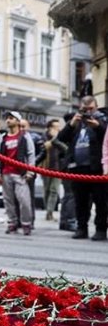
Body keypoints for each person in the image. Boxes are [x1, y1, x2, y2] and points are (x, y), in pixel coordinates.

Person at [57, 95, 108, 240]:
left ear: (96, 107)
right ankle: (81, 228)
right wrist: (71, 124)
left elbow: (107, 138)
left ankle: (101, 229)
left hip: (97, 168)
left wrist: (97, 126)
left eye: (90, 109)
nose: (88, 113)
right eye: (84, 109)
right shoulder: (76, 121)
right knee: (80, 201)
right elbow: (60, 138)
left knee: (101, 200)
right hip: (77, 168)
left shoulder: (103, 119)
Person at [0, 111, 35, 236]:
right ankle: (12, 223)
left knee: (24, 200)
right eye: (7, 118)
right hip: (6, 173)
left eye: (11, 118)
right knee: (8, 200)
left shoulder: (25, 136)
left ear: (17, 121)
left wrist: (30, 171)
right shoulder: (2, 137)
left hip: (20, 173)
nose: (8, 120)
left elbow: (31, 154)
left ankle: (26, 223)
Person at [35, 119, 67, 222]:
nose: (58, 128)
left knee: (54, 191)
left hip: (58, 168)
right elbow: (41, 150)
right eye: (55, 127)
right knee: (47, 190)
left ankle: (50, 213)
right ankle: (48, 211)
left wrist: (55, 139)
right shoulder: (43, 138)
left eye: (58, 126)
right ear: (50, 128)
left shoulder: (60, 138)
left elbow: (65, 150)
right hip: (46, 167)